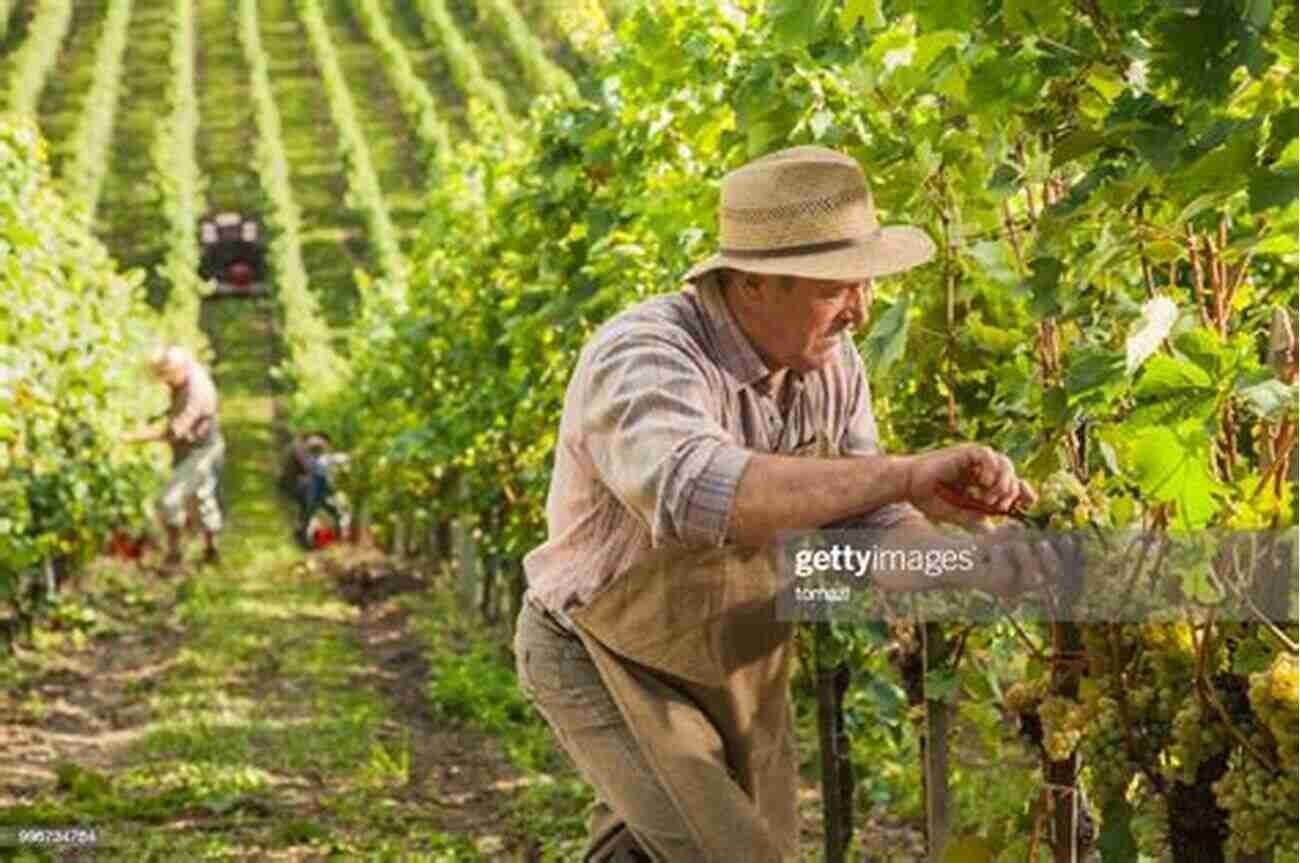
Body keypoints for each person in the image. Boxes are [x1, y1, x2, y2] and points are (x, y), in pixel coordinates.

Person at [513, 146, 1071, 862]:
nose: (861, 312)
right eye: (836, 287)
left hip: (736, 654)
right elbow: (701, 494)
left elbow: (863, 531)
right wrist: (903, 475)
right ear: (751, 283)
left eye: (865, 285)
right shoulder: (646, 353)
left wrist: (971, 561)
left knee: (657, 852)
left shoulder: (829, 366)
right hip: (602, 652)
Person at [124, 346, 225, 570]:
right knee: (201, 498)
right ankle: (210, 551)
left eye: (166, 377)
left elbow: (174, 432)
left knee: (169, 499)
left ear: (178, 370)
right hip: (193, 446)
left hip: (201, 450)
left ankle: (175, 555)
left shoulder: (195, 393)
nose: (164, 382)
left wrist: (133, 437)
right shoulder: (188, 373)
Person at [289, 432, 348, 548]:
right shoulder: (320, 460)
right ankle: (304, 539)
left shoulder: (322, 460)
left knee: (330, 513)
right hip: (316, 491)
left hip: (320, 491)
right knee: (310, 514)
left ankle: (336, 536)